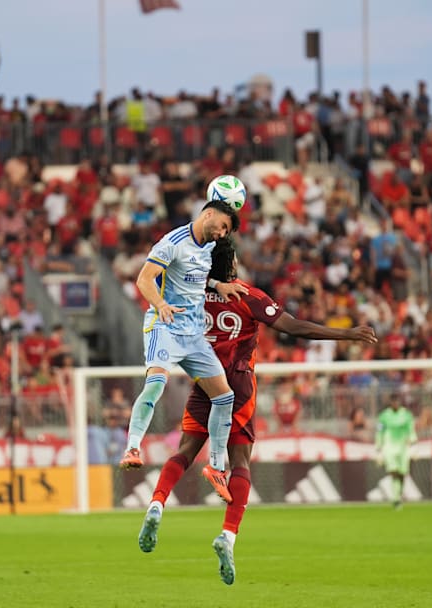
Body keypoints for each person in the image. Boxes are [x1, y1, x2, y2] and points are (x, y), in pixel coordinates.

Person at [135, 237, 377, 584]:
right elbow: (294, 327)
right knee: (241, 462)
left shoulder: (188, 293)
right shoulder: (246, 295)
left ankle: (157, 503)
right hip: (239, 385)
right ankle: (228, 536)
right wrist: (347, 334)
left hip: (205, 380)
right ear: (232, 267)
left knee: (186, 450)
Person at [121, 200, 247, 503]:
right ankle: (132, 447)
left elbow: (196, 277)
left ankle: (216, 467)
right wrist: (160, 304)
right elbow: (144, 279)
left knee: (225, 395)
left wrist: (218, 284)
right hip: (164, 326)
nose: (222, 234)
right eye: (223, 226)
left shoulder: (207, 247)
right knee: (156, 384)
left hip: (193, 335)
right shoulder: (172, 242)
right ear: (208, 214)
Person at [375, 390, 417, 510]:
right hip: (389, 446)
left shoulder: (406, 415)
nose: (395, 404)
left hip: (403, 446)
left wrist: (413, 443)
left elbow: (411, 429)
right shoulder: (384, 416)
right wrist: (378, 447)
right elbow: (380, 431)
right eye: (393, 401)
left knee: (402, 473)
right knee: (393, 471)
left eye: (397, 401)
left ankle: (398, 494)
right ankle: (396, 499)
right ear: (390, 403)